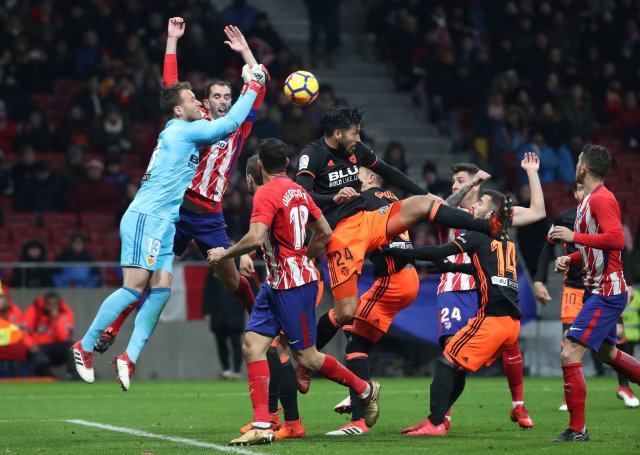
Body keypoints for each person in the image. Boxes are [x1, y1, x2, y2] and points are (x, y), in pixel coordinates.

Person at [70, 50, 268, 391]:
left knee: (160, 291)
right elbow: (224, 120)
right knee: (134, 288)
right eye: (200, 99)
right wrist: (252, 83)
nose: (206, 102)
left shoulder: (187, 126)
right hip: (151, 215)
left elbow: (188, 99)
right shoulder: (187, 130)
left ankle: (128, 357)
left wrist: (175, 42)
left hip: (178, 218)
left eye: (225, 96)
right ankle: (84, 346)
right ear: (191, 107)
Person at [295, 106, 512, 388]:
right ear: (337, 134)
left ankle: (487, 225)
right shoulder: (313, 155)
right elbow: (300, 196)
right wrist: (332, 196)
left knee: (422, 205)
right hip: (340, 234)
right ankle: (308, 361)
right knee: (347, 312)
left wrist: (425, 193)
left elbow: (389, 171)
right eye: (354, 132)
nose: (358, 136)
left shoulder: (357, 151)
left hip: (368, 221)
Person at [207, 138, 381, 446]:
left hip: (294, 287)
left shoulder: (264, 192)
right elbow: (324, 231)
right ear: (286, 164)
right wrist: (305, 254)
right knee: (252, 347)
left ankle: (364, 389)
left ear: (260, 165)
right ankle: (263, 423)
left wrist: (225, 254)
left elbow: (257, 236)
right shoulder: (299, 190)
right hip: (277, 284)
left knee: (308, 358)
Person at [417, 153, 545, 431]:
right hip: (453, 287)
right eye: (454, 181)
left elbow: (537, 213)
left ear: (477, 189)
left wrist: (532, 172)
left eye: (459, 181)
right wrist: (469, 183)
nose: (454, 185)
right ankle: (443, 416)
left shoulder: (491, 216)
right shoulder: (448, 209)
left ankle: (517, 405)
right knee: (452, 352)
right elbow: (441, 208)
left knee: (509, 343)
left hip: (486, 290)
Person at [383, 190, 522, 436]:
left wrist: (402, 252)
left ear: (491, 214)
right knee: (457, 366)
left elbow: (438, 251)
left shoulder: (477, 235)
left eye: (480, 203)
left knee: (446, 361)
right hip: (511, 324)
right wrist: (452, 267)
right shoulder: (507, 244)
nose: (475, 207)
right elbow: (481, 268)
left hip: (494, 320)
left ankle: (436, 423)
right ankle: (436, 419)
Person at [550, 144, 640, 442]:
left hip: (606, 292)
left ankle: (577, 430)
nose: (576, 165)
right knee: (608, 353)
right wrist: (571, 257)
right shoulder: (588, 200)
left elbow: (616, 240)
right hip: (595, 290)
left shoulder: (603, 199)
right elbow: (594, 246)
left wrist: (572, 237)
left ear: (584, 168)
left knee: (569, 352)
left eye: (578, 161)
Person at [327, 166, 420, 436]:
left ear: (370, 178)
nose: (350, 178)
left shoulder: (366, 199)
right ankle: (364, 387)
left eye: (356, 173)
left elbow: (333, 220)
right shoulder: (392, 198)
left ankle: (359, 413)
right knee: (351, 325)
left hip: (393, 278)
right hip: (406, 275)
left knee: (355, 340)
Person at [202, 272, 246, 381]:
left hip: (235, 312)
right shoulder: (213, 269)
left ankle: (236, 371)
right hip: (218, 313)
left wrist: (249, 304)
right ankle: (226, 370)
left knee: (236, 343)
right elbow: (208, 291)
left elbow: (249, 287)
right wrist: (206, 311)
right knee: (221, 343)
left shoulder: (239, 266)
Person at [24, 291, 77, 378]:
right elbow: (24, 331)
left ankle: (74, 376)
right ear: (44, 304)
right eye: (49, 304)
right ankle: (48, 379)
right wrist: (31, 345)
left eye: (55, 304)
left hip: (57, 346)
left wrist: (55, 320)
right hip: (39, 347)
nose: (52, 307)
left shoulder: (65, 312)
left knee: (73, 349)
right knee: (41, 361)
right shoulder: (34, 310)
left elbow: (63, 337)